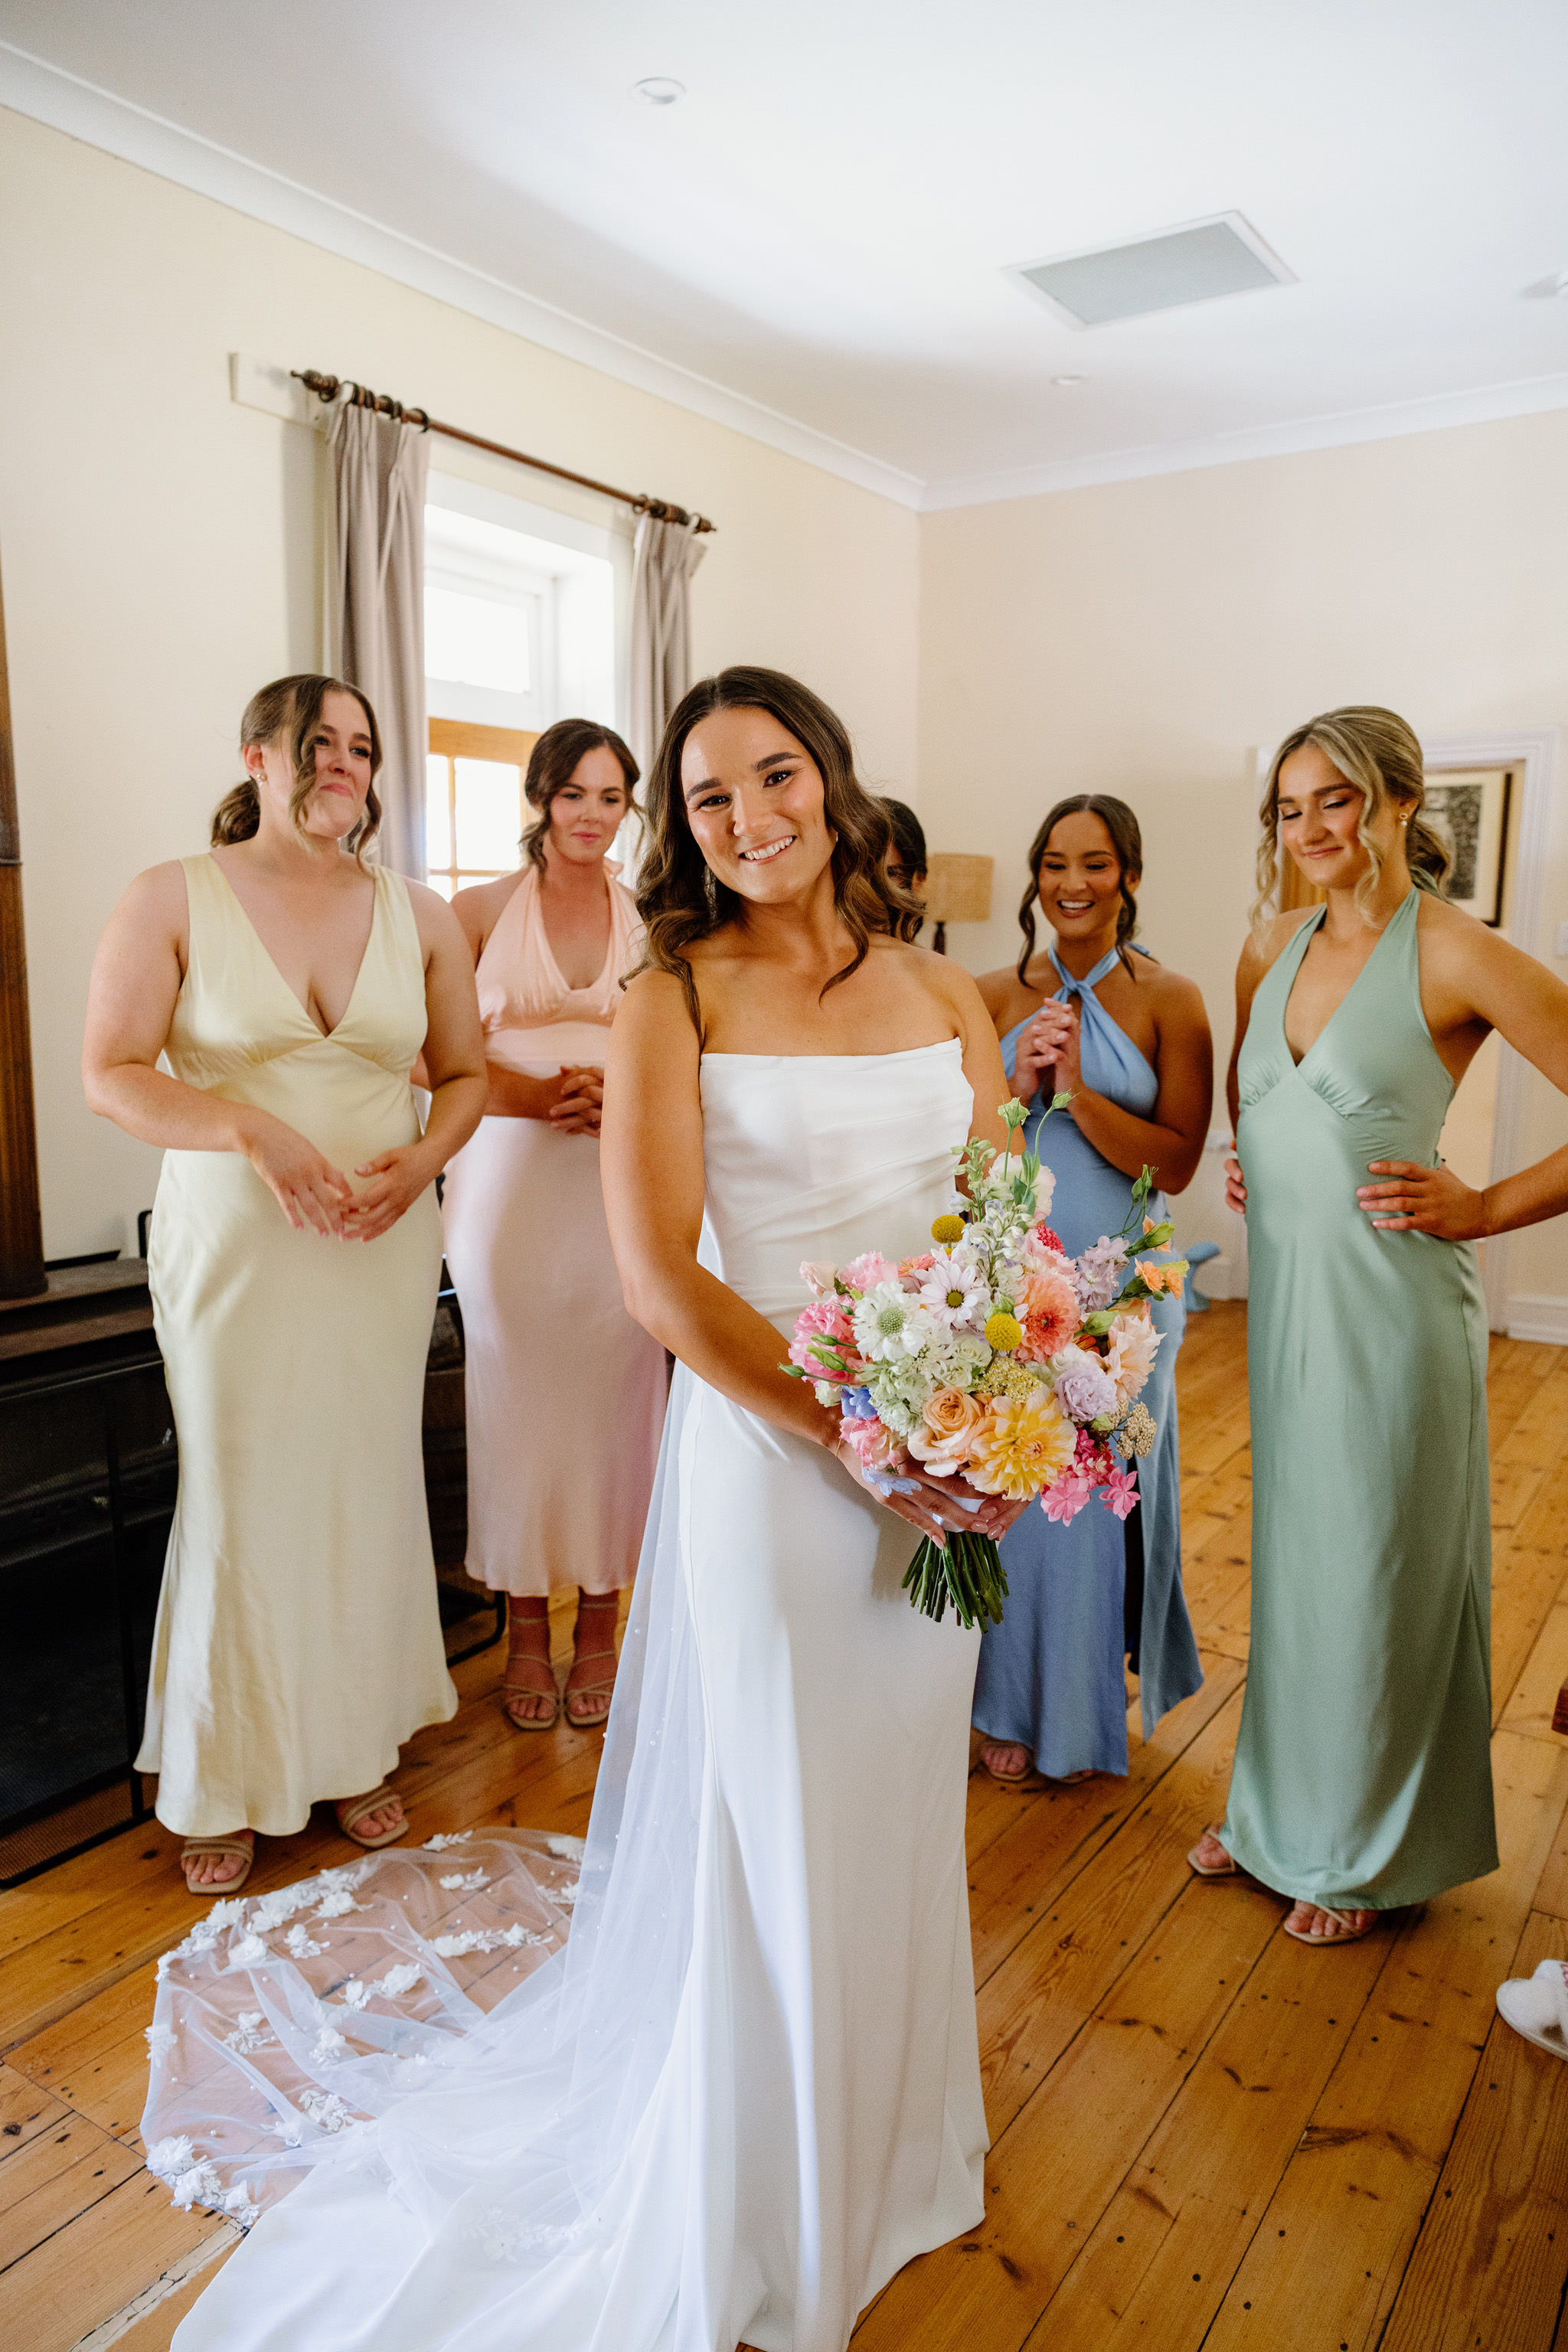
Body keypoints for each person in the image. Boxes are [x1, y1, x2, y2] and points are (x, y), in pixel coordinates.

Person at [162, 665, 1027, 2352]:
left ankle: (890, 2147)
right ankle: (761, 2191)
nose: (750, 817)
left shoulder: (945, 990)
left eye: (775, 775)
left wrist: (992, 1422)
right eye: (710, 798)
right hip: (783, 1464)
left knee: (892, 1806)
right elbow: (660, 1284)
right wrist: (864, 1437)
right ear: (682, 831)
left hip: (936, 1477)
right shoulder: (670, 992)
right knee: (775, 1819)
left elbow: (995, 1231)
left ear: (831, 776)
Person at [82, 676, 486, 1894]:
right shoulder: (171, 897)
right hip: (238, 1249)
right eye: (320, 743)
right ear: (258, 756)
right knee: (242, 1486)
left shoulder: (419, 913)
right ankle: (224, 1772)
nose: (344, 764)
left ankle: (356, 1747)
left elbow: (465, 1074)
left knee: (363, 1478)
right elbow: (112, 1072)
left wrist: (423, 1160)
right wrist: (251, 1130)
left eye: (362, 747)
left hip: (380, 1240)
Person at [1190, 705, 1568, 1945]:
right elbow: (1259, 1097)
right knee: (1299, 1564)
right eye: (1289, 807)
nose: (1309, 829)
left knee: (1376, 1569)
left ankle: (1362, 1847)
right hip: (1289, 1306)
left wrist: (1484, 1206)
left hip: (1394, 1312)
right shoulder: (1269, 942)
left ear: (1401, 801)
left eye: (1335, 800)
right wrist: (1257, 1149)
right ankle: (1272, 1813)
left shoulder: (1457, 953)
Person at [972, 798, 1212, 1782]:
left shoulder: (1172, 1000)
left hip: (1121, 1280)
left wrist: (1077, 1093)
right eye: (1055, 864)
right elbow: (964, 1146)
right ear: (1035, 876)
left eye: (1096, 864)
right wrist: (1020, 1092)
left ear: (1130, 877)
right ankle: (997, 1701)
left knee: (1089, 1501)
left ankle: (1075, 1703)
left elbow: (1178, 1160)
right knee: (1006, 1485)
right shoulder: (987, 993)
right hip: (1011, 1270)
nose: (1072, 884)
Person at [440, 720, 666, 1733]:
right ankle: (526, 1625)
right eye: (574, 793)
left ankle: (603, 1620)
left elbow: (685, 1051)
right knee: (515, 1401)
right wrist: (538, 1099)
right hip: (508, 1185)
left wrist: (623, 1102)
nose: (592, 814)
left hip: (618, 1180)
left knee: (623, 1394)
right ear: (538, 796)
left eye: (611, 797)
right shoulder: (476, 911)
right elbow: (428, 1057)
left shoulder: (656, 922)